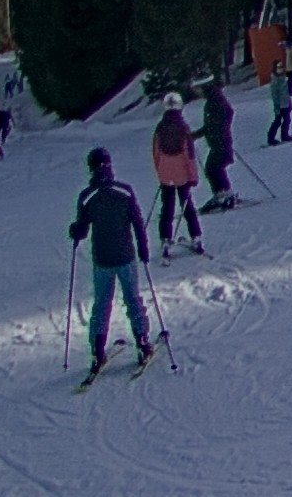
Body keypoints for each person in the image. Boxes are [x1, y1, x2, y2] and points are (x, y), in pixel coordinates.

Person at [68, 149, 156, 375]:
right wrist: (144, 249)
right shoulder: (124, 191)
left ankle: (97, 352)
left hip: (102, 258)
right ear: (109, 165)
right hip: (126, 255)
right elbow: (137, 222)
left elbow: (82, 230)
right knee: (133, 300)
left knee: (101, 304)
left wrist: (75, 232)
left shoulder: (87, 196)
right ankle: (143, 343)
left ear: (91, 168)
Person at [149, 96, 205, 254]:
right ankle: (196, 236)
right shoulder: (183, 128)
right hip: (183, 175)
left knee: (167, 207)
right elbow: (190, 155)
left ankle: (165, 239)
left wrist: (160, 172)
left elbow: (156, 153)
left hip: (166, 174)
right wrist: (193, 176)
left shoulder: (160, 128)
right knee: (187, 206)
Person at [196, 81, 237, 209]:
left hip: (221, 141)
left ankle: (226, 195)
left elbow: (227, 114)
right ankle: (222, 194)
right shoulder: (213, 99)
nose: (196, 92)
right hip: (218, 141)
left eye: (197, 89)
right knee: (213, 168)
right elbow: (210, 125)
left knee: (214, 167)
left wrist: (220, 130)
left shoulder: (215, 101)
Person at [267, 48, 292, 144]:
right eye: (278, 67)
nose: (280, 69)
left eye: (281, 67)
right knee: (277, 121)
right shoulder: (275, 80)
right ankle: (271, 138)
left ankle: (284, 135)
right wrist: (276, 106)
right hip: (280, 105)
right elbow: (275, 94)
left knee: (287, 120)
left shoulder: (282, 78)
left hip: (286, 102)